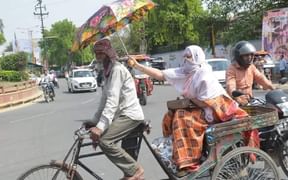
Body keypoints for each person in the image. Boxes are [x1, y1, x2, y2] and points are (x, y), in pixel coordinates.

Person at [128, 45, 252, 174]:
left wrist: (188, 101)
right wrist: (138, 66)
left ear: (197, 57)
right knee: (170, 116)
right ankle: (176, 154)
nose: (186, 59)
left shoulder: (203, 73)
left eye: (189, 56)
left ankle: (190, 162)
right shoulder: (186, 71)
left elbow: (206, 102)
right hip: (200, 107)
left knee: (183, 119)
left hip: (215, 111)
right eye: (185, 56)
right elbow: (161, 75)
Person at [88, 38, 145, 180]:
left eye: (101, 52)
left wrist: (100, 127)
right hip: (121, 115)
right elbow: (104, 100)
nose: (98, 56)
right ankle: (129, 172)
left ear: (108, 53)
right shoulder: (107, 71)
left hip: (130, 115)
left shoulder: (117, 69)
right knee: (103, 138)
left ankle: (135, 169)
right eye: (96, 53)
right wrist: (94, 121)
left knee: (105, 141)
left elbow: (112, 101)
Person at [226, 41, 275, 106]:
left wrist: (273, 88)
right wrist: (236, 96)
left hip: (249, 100)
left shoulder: (251, 67)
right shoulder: (232, 69)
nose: (249, 57)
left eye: (251, 54)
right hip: (236, 103)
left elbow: (261, 78)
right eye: (246, 55)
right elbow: (230, 84)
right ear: (239, 57)